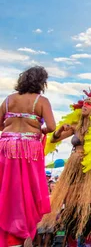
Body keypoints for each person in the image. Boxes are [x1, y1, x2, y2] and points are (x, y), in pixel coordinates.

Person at [40, 88, 91, 247]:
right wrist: (59, 129)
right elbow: (53, 140)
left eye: (89, 104)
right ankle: (71, 236)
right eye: (84, 103)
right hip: (74, 166)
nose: (85, 106)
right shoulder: (76, 126)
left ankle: (87, 237)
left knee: (87, 203)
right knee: (71, 200)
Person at [0, 66, 56, 246]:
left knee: (7, 189)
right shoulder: (41, 101)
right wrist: (38, 129)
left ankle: (8, 231)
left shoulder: (8, 100)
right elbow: (52, 126)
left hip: (6, 147)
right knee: (27, 192)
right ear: (41, 82)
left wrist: (12, 130)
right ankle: (21, 230)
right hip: (29, 150)